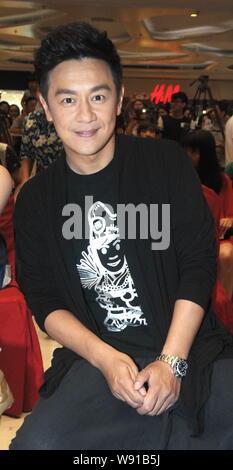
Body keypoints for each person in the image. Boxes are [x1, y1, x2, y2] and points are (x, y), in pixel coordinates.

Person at [10, 22, 233, 450]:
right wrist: (106, 359)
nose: (86, 115)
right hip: (97, 359)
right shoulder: (37, 200)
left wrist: (171, 361)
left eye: (98, 96)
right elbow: (45, 300)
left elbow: (197, 263)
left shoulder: (165, 163)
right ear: (46, 106)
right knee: (38, 444)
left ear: (118, 98)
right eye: (68, 99)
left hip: (187, 348)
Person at [182, 130, 233, 301]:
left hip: (221, 238)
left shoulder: (222, 180)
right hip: (191, 240)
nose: (188, 155)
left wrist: (230, 220)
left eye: (194, 151)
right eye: (186, 150)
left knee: (226, 254)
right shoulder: (180, 179)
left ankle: (225, 306)